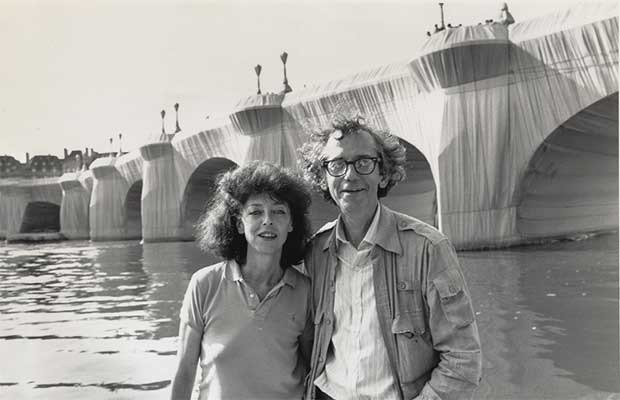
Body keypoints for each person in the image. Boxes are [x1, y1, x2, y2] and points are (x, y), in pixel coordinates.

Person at [299, 117, 482, 400]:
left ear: (383, 174)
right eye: (337, 165)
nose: (349, 175)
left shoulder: (427, 248)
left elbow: (462, 359)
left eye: (363, 162)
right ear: (323, 177)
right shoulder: (316, 252)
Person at [170, 161, 314, 400]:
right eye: (256, 212)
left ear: (291, 224)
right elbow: (185, 372)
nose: (267, 220)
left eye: (279, 211)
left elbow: (313, 370)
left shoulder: (306, 290)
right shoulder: (204, 284)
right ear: (239, 223)